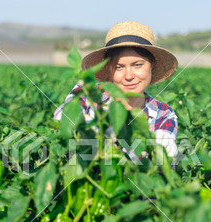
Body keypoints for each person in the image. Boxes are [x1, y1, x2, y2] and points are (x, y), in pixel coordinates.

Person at [54, 21, 178, 157]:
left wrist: (163, 150)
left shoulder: (163, 114)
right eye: (119, 67)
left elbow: (160, 172)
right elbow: (61, 117)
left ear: (151, 65)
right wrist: (91, 129)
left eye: (137, 65)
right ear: (108, 68)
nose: (129, 76)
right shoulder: (88, 93)